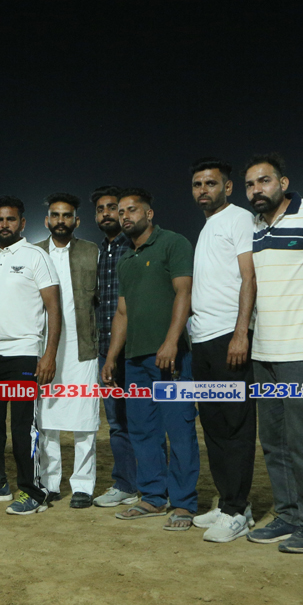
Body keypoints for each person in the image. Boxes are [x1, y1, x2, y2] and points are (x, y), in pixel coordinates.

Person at [242, 153, 303, 553]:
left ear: (283, 182)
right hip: (264, 351)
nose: (256, 190)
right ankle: (288, 515)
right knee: (274, 441)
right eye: (250, 184)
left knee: (302, 441)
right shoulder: (255, 227)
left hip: (301, 350)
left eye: (264, 181)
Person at [100, 188, 199, 530]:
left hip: (171, 357)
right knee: (142, 430)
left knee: (179, 430)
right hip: (135, 361)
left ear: (149, 213)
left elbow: (184, 292)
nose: (125, 216)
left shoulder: (173, 243)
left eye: (132, 210)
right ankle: (153, 497)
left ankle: (184, 504)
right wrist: (112, 356)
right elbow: (122, 313)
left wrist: (171, 341)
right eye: (121, 211)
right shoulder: (126, 259)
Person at [187, 157, 258, 543]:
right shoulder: (208, 226)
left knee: (236, 425)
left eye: (210, 183)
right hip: (202, 340)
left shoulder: (239, 219)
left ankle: (237, 509)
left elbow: (249, 277)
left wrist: (241, 332)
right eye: (197, 184)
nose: (203, 190)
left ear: (227, 187)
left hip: (228, 337)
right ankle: (228, 501)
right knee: (213, 425)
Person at [0, 196, 61, 515]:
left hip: (24, 354)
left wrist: (48, 355)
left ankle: (33, 491)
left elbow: (54, 308)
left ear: (22, 223)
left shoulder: (36, 256)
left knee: (23, 426)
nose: (4, 225)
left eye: (11, 219)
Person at [34, 193, 101, 508]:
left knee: (84, 418)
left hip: (82, 347)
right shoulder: (35, 253)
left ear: (76, 220)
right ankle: (49, 483)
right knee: (46, 420)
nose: (61, 220)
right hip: (45, 347)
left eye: (67, 215)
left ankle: (83, 486)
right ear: (47, 220)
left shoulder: (92, 251)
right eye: (55, 215)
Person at [89, 187, 138, 508]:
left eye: (112, 207)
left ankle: (154, 486)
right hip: (106, 351)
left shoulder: (134, 247)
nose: (107, 213)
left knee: (145, 421)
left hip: (136, 350)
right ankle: (126, 484)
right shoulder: (98, 253)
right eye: (101, 209)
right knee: (117, 422)